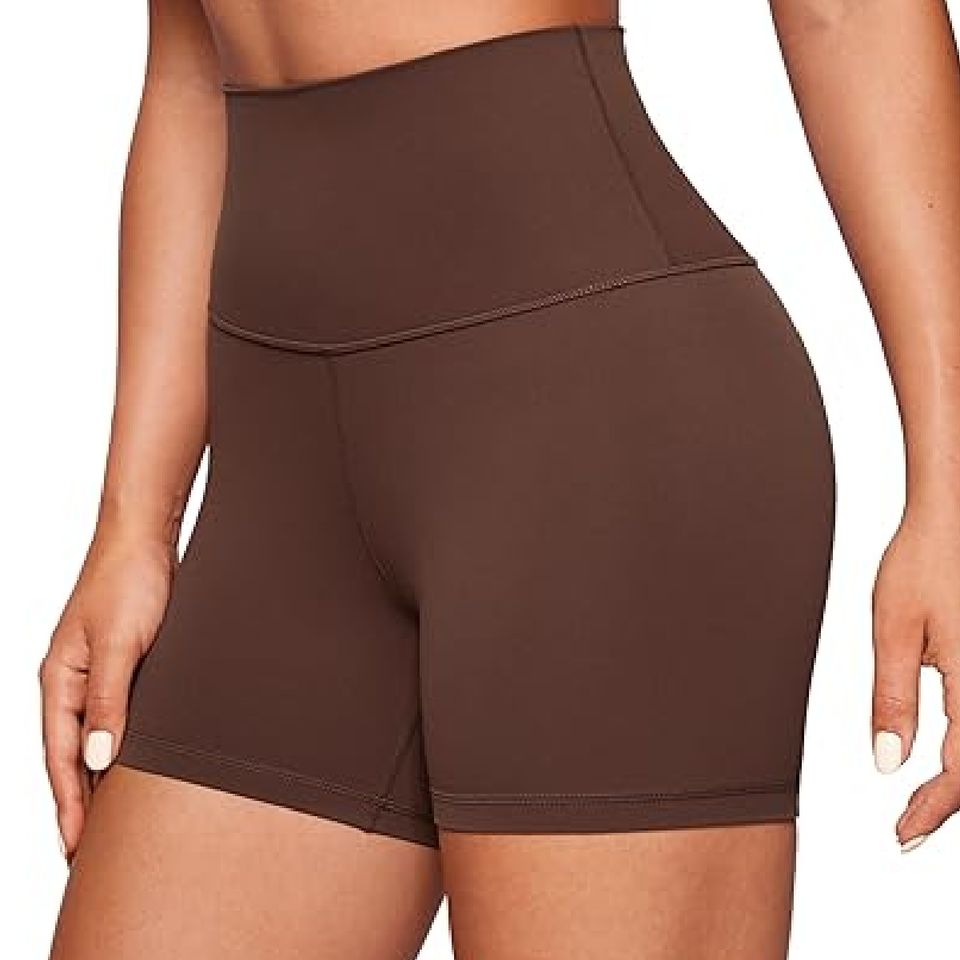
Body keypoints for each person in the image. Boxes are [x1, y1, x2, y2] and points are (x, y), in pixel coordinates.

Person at [40, 1, 960, 957]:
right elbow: (190, 67)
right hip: (285, 490)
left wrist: (950, 485)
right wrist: (133, 524)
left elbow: (849, 13)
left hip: (591, 436)